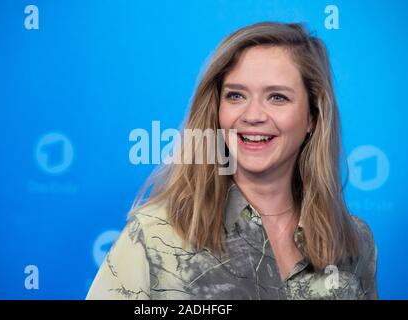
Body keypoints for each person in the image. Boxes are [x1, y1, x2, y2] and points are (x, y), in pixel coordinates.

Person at [87, 22, 378, 300]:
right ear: (217, 110)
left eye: (277, 97)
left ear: (312, 118)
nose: (252, 116)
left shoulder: (355, 242)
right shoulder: (154, 234)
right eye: (236, 95)